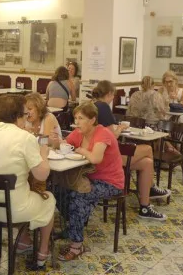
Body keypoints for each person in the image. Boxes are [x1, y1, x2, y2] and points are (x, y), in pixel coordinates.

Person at [0, 94, 55, 268]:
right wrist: (43, 153)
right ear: (18, 115)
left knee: (25, 192)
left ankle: (23, 241)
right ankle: (43, 251)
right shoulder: (24, 138)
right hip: (13, 209)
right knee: (48, 198)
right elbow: (42, 175)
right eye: (25, 114)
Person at [91, 81, 170, 220]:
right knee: (148, 148)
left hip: (98, 153)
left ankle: (145, 207)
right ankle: (151, 188)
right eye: (113, 95)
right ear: (109, 94)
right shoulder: (103, 107)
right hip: (107, 157)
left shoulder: (91, 105)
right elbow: (111, 136)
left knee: (147, 163)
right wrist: (120, 128)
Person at [55, 103, 124, 260]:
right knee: (57, 189)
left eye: (81, 118)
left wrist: (81, 150)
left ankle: (77, 245)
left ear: (92, 120)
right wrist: (57, 141)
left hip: (110, 182)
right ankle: (74, 225)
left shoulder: (102, 133)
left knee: (79, 196)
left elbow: (95, 158)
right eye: (75, 118)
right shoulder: (79, 132)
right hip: (88, 178)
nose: (77, 122)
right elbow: (66, 144)